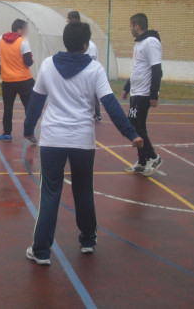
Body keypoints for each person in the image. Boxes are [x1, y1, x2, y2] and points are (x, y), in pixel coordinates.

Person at [24, 21, 143, 264]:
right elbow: (109, 103)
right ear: (86, 44)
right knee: (83, 190)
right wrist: (130, 133)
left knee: (49, 194)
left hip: (53, 140)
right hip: (82, 141)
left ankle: (42, 251)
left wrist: (28, 129)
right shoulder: (95, 69)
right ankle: (88, 240)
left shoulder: (48, 65)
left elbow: (36, 101)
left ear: (65, 42)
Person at [122, 13, 164, 177]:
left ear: (137, 26)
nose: (130, 29)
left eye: (131, 26)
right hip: (136, 91)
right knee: (138, 125)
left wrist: (153, 94)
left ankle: (153, 157)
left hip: (144, 93)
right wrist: (127, 87)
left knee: (134, 124)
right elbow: (137, 69)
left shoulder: (151, 42)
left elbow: (156, 69)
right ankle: (142, 161)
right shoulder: (139, 44)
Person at [0, 18, 34, 142]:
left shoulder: (0, 39)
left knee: (8, 107)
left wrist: (1, 71)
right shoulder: (23, 41)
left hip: (8, 80)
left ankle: (7, 133)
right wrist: (31, 59)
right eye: (25, 29)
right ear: (19, 29)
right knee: (28, 107)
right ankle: (29, 132)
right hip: (23, 79)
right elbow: (28, 62)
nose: (26, 31)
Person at [67, 10, 101, 121]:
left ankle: (97, 113)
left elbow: (92, 63)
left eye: (69, 19)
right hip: (77, 75)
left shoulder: (90, 46)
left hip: (85, 76)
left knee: (91, 93)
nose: (67, 22)